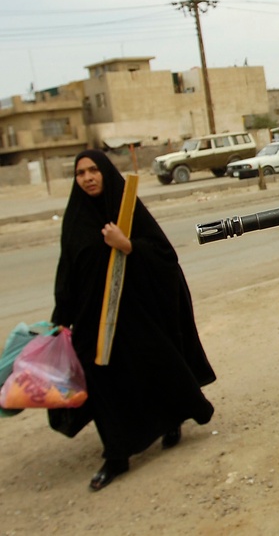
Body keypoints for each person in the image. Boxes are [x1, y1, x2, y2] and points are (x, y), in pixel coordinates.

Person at [50, 149, 216, 491]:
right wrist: (61, 318)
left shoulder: (127, 209)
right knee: (105, 385)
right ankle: (117, 456)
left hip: (137, 314)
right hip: (94, 324)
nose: (88, 177)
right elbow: (67, 271)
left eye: (94, 170)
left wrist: (127, 245)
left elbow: (164, 256)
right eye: (81, 173)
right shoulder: (75, 219)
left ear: (106, 173)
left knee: (155, 368)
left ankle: (173, 421)